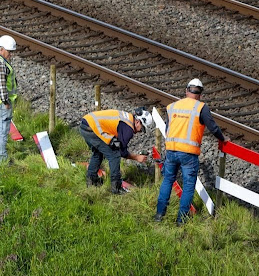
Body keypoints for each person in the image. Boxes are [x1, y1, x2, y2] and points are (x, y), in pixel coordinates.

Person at [154, 78, 227, 224]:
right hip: (188, 154)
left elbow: (168, 129)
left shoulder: (172, 106)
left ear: (186, 91)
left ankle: (159, 216)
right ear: (200, 94)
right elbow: (213, 128)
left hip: (171, 151)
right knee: (188, 186)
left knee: (168, 181)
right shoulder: (201, 107)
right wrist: (223, 139)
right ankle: (181, 220)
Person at [80, 107, 152, 194]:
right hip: (92, 128)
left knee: (98, 153)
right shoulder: (128, 129)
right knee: (114, 155)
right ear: (137, 122)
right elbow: (121, 152)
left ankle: (91, 181)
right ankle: (116, 188)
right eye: (142, 128)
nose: (140, 131)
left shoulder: (128, 119)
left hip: (86, 124)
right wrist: (136, 157)